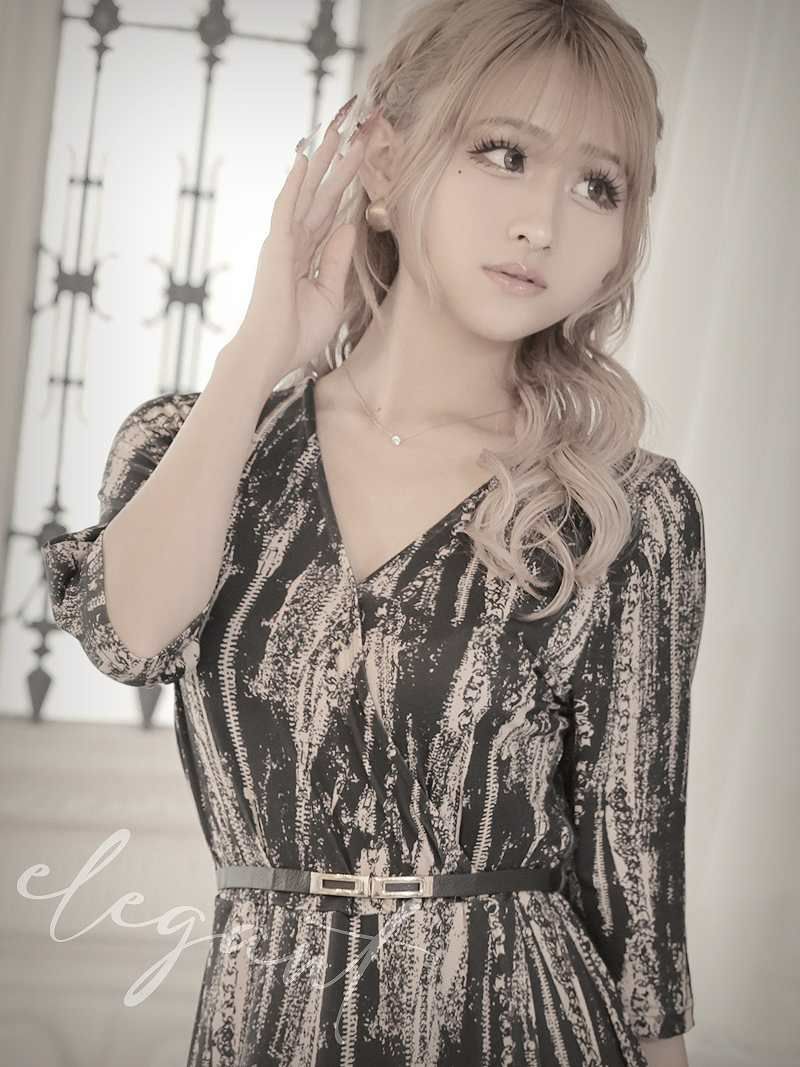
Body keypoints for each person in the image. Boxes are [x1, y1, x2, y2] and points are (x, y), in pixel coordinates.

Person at [40, 0, 707, 1064]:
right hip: (268, 1024)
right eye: (504, 153)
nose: (544, 222)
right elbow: (128, 637)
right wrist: (257, 352)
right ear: (385, 166)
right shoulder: (195, 445)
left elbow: (635, 884)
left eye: (598, 185)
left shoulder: (621, 509)